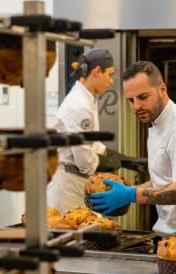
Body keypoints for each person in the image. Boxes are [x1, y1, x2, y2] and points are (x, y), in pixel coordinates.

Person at [91, 61, 176, 258]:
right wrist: (129, 190)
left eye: (143, 97)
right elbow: (165, 181)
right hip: (171, 237)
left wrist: (133, 195)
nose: (137, 106)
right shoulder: (158, 124)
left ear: (162, 88)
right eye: (131, 100)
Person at [47, 48, 121, 213]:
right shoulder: (79, 105)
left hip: (77, 180)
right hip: (69, 186)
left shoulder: (86, 98)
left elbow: (90, 142)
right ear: (96, 72)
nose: (111, 81)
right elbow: (83, 158)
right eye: (109, 75)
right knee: (70, 233)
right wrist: (105, 164)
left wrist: (119, 157)